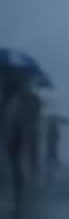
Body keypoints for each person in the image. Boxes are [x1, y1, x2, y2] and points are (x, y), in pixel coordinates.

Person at [0, 72, 41, 209]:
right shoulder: (23, 99)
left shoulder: (20, 100)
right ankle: (19, 187)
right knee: (16, 161)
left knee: (17, 161)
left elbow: (13, 118)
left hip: (18, 134)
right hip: (18, 133)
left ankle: (19, 188)